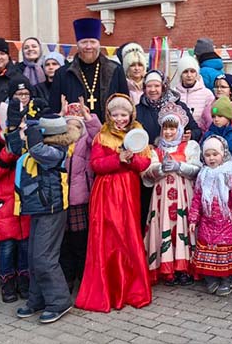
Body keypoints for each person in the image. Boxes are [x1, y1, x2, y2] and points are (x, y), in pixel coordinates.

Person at [76, 94, 153, 313]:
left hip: (128, 192)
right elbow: (96, 164)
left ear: (131, 115)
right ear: (109, 115)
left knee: (127, 235)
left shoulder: (139, 135)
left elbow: (144, 163)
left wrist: (131, 159)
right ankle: (106, 287)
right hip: (106, 193)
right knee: (107, 236)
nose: (120, 119)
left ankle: (130, 287)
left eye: (124, 114)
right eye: (115, 114)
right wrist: (116, 159)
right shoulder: (102, 135)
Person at [12, 113, 80, 324]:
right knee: (34, 257)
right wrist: (15, 123)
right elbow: (14, 149)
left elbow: (37, 150)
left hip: (52, 209)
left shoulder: (57, 149)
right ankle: (37, 299)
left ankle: (59, 301)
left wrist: (32, 127)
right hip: (37, 208)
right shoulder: (40, 145)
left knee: (44, 258)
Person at [142, 102, 201, 286]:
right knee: (164, 228)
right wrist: (160, 168)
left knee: (182, 228)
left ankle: (184, 268)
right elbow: (146, 173)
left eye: (173, 128)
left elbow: (197, 169)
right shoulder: (156, 150)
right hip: (162, 200)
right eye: (166, 128)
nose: (168, 132)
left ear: (180, 129)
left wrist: (179, 166)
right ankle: (167, 268)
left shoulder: (190, 146)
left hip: (183, 197)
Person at [136, 70, 202, 226]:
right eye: (149, 86)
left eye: (156, 86)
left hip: (178, 159)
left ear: (163, 86)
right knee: (153, 210)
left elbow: (196, 130)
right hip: (152, 161)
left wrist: (189, 135)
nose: (153, 90)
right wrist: (144, 147)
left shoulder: (178, 106)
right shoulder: (138, 110)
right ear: (144, 88)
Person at [188, 135, 232, 296]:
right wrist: (193, 219)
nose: (211, 158)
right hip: (208, 222)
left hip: (227, 223)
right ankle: (211, 277)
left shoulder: (230, 173)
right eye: (207, 155)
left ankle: (228, 279)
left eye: (215, 154)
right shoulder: (203, 174)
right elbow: (197, 199)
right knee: (208, 251)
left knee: (226, 252)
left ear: (223, 153)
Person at [0, 125, 31, 303]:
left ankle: (24, 283)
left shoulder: (29, 142)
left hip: (24, 203)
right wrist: (7, 152)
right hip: (4, 206)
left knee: (25, 247)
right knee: (7, 249)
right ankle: (7, 285)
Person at [59, 99, 101, 294]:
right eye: (68, 125)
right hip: (62, 200)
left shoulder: (87, 141)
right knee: (64, 242)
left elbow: (98, 135)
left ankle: (84, 278)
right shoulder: (60, 142)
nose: (72, 128)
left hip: (80, 198)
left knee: (80, 242)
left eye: (76, 125)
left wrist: (88, 118)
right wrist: (60, 116)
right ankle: (67, 277)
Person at [49, 18, 129, 119]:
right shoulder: (62, 74)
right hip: (75, 131)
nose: (88, 46)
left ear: (99, 44)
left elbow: (126, 106)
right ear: (77, 45)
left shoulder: (115, 70)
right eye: (84, 42)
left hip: (109, 131)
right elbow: (54, 110)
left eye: (92, 42)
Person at [173, 53, 215, 132]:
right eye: (185, 72)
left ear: (196, 73)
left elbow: (214, 113)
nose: (189, 75)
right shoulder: (173, 93)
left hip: (201, 135)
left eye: (192, 71)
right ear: (180, 74)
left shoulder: (207, 94)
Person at [203, 97, 232, 162]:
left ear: (228, 117)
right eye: (213, 116)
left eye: (220, 116)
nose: (216, 119)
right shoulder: (208, 133)